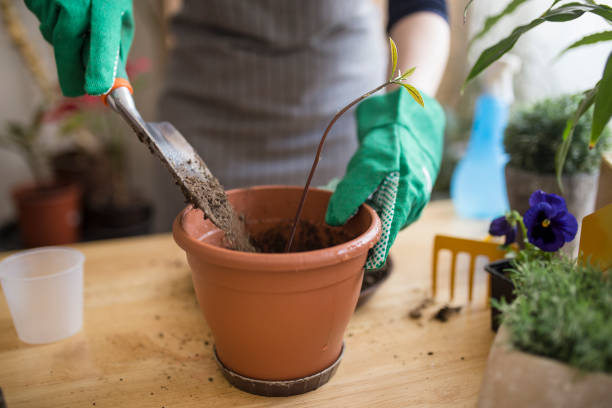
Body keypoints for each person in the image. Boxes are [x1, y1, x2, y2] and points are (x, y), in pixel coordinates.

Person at [25, 0, 449, 269]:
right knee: (191, 276)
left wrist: (406, 111)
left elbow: (422, 5)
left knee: (330, 244)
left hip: (339, 101)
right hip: (206, 108)